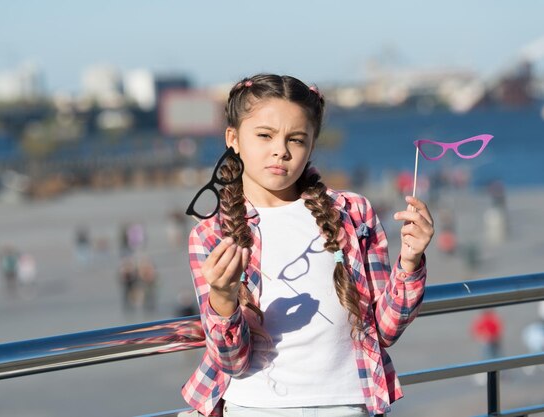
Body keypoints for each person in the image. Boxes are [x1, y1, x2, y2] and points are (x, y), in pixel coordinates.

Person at [181, 74, 434, 417]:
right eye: (264, 135)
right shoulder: (211, 235)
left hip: (347, 403)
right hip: (255, 407)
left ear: (312, 144)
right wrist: (223, 300)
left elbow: (386, 329)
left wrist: (410, 262)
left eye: (296, 139)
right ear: (233, 139)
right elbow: (233, 361)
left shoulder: (353, 213)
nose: (280, 151)